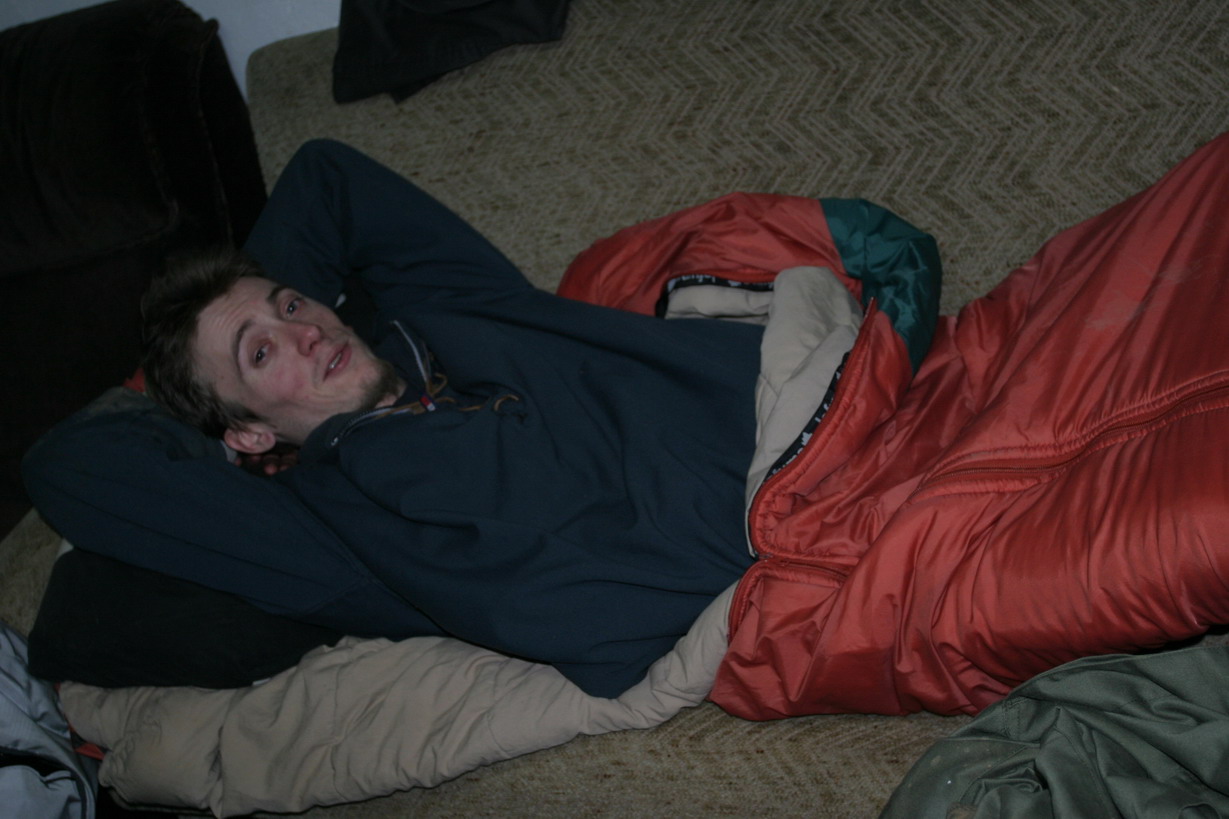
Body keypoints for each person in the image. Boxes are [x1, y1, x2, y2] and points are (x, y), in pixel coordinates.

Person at [27, 139, 765, 697]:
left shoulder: (449, 310)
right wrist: (200, 398)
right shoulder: (326, 524)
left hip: (790, 397)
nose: (303, 329)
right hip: (767, 522)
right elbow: (65, 467)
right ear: (248, 435)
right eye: (261, 352)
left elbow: (326, 176)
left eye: (292, 303)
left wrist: (251, 331)